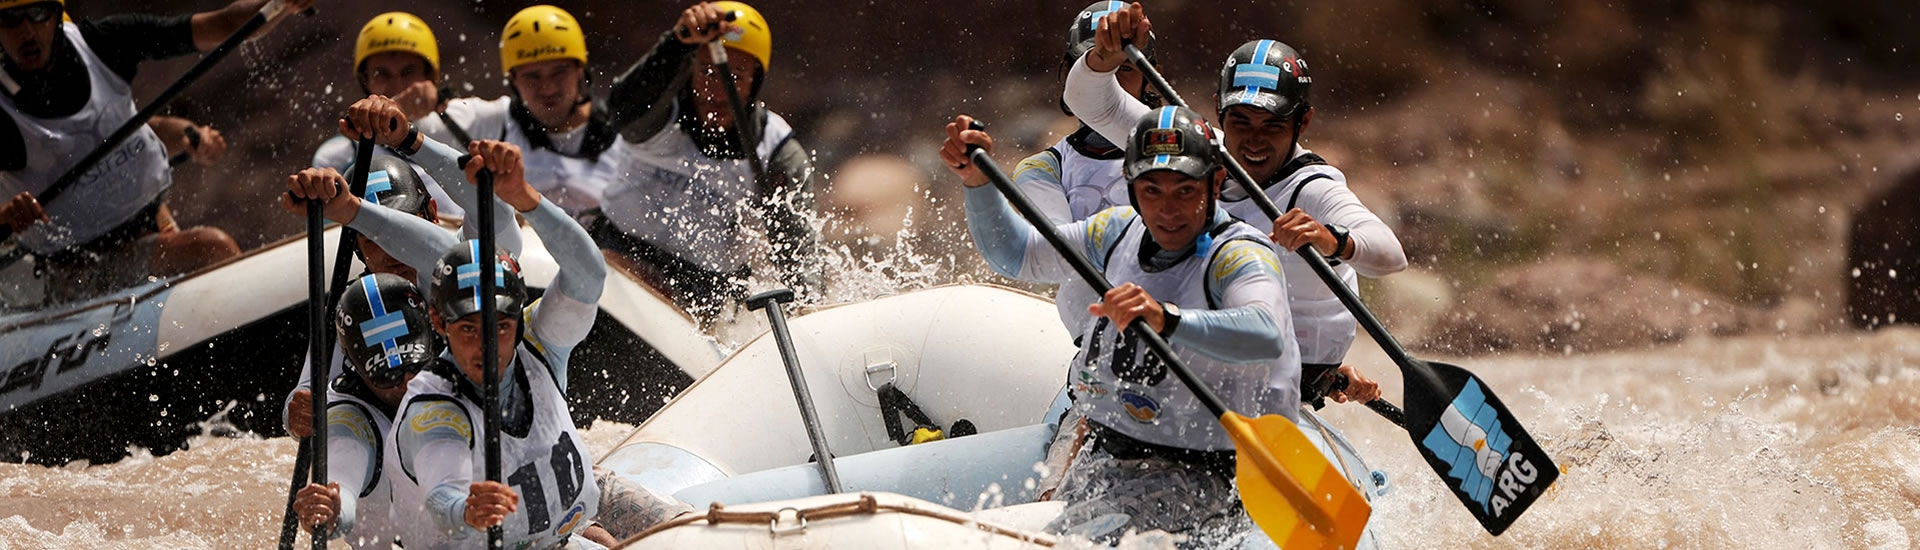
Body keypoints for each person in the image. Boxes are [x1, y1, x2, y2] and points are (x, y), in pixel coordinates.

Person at [942, 108, 1297, 547]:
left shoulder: (1240, 254)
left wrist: (1168, 319)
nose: (1167, 210)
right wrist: (976, 183)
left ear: (1216, 184)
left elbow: (1264, 333)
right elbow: (1014, 254)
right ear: (1132, 187)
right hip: (1110, 454)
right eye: (1151, 191)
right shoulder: (1113, 231)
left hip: (1209, 473)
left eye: (1185, 191)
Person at [1066, 3, 1401, 408]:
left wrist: (1334, 241)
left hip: (1284, 383)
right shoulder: (1198, 151)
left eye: (1272, 126)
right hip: (1202, 361)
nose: (1253, 141)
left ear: (1303, 121)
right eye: (1240, 121)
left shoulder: (1314, 188)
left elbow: (1388, 254)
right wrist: (1104, 58)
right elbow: (1093, 104)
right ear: (1219, 110)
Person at [368, 140, 608, 549]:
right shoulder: (432, 404)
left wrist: (527, 199)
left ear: (516, 318)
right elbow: (442, 489)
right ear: (439, 324)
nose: (487, 346)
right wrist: (465, 508)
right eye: (467, 330)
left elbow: (587, 275)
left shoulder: (537, 340)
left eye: (498, 327)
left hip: (561, 532)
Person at [0, 0, 312, 300]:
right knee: (211, 248)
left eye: (37, 14)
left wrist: (279, 4)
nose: (26, 32)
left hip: (150, 229)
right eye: (10, 20)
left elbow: (223, 24)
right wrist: (6, 215)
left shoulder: (102, 42)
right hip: (76, 270)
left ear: (57, 16)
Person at [592, 1, 820, 320]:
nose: (716, 90)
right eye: (705, 71)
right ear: (690, 69)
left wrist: (807, 313)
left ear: (756, 80)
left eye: (735, 77)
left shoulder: (778, 154)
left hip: (703, 288)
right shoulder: (658, 115)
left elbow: (798, 251)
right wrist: (676, 42)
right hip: (619, 249)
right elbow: (619, 112)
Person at [280, 154, 447, 439]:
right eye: (374, 240)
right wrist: (295, 415)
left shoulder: (458, 275)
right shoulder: (352, 308)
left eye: (401, 235)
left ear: (432, 213)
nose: (392, 252)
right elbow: (305, 390)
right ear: (356, 247)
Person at [291, 272, 437, 549]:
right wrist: (334, 509)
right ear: (357, 370)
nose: (407, 385)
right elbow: (342, 473)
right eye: (387, 376)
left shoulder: (461, 365)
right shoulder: (348, 421)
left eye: (415, 368)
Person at [311, 11, 469, 221]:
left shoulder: (468, 122)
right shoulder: (337, 157)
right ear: (365, 80)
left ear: (429, 78)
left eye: (408, 72)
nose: (396, 86)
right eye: (382, 74)